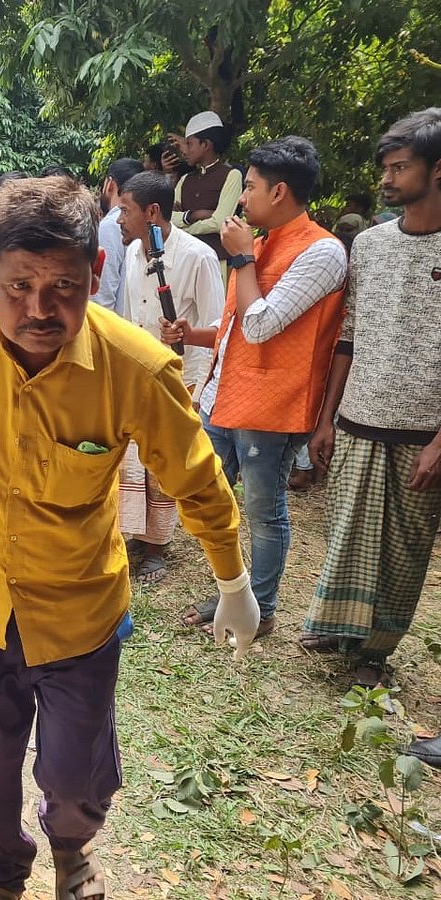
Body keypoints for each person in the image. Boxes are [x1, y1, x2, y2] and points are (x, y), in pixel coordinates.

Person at [0, 176, 257, 900]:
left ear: (94, 273)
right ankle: (2, 875)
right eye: (17, 287)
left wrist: (234, 584)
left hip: (79, 611)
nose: (38, 309)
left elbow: (197, 482)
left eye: (63, 286)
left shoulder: (135, 368)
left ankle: (72, 850)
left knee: (73, 780)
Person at [161, 136, 346, 641]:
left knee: (265, 513)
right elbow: (234, 328)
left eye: (252, 188)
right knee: (212, 500)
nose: (242, 200)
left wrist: (241, 260)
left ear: (280, 191)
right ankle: (231, 592)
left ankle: (261, 608)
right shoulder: (260, 243)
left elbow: (262, 325)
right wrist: (191, 335)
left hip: (271, 407)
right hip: (224, 397)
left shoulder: (323, 252)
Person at [300, 108, 441, 692]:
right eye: (385, 168)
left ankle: (376, 653)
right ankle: (340, 628)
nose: (386, 178)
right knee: (347, 533)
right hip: (357, 417)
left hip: (421, 430)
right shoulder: (372, 245)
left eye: (400, 167)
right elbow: (349, 336)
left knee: (403, 553)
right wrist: (326, 417)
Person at [116, 171, 225, 582]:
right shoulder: (131, 255)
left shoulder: (196, 256)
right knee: (135, 459)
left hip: (182, 376)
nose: (119, 218)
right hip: (138, 373)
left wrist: (186, 335)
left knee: (164, 464)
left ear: (153, 211)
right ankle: (137, 535)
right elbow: (130, 315)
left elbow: (218, 327)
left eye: (126, 210)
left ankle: (158, 547)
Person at [171, 111, 243, 283]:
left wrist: (184, 229)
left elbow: (219, 222)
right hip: (184, 261)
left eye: (189, 144)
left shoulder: (231, 175)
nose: (185, 151)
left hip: (216, 261)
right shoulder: (185, 179)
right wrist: (193, 215)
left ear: (205, 144)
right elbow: (168, 217)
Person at [89, 158, 144, 315]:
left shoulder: (111, 225)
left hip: (116, 325)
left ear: (110, 184)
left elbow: (102, 292)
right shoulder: (145, 221)